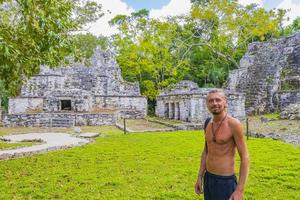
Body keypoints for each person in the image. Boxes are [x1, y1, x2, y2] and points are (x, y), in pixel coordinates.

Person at [194, 89, 249, 200]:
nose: (214, 103)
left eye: (218, 100)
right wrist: (200, 176)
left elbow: (245, 157)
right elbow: (206, 151)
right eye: (210, 101)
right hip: (208, 178)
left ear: (225, 102)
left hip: (225, 181)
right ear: (207, 104)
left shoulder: (234, 124)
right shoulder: (207, 123)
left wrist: (239, 190)